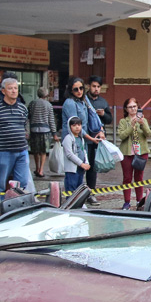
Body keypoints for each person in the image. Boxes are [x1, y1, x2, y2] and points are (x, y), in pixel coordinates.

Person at [61, 76, 105, 206]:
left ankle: (79, 199)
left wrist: (100, 129)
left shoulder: (84, 101)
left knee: (81, 169)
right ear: (70, 90)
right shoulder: (70, 103)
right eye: (76, 89)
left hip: (82, 140)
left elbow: (93, 116)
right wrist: (91, 138)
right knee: (73, 170)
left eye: (81, 88)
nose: (79, 91)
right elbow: (75, 125)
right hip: (73, 139)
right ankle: (71, 200)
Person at [0, 78, 31, 192]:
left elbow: (25, 125)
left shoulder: (22, 108)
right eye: (10, 88)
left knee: (22, 182)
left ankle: (16, 205)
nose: (14, 91)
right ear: (3, 91)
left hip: (21, 150)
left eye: (15, 88)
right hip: (2, 151)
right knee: (0, 182)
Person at [117, 98, 151, 210]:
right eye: (130, 107)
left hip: (141, 152)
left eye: (135, 106)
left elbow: (148, 134)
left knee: (139, 177)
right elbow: (121, 136)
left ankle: (139, 201)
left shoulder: (143, 120)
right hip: (127, 153)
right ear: (126, 109)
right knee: (127, 178)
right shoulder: (123, 121)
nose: (133, 109)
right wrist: (131, 126)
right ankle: (126, 202)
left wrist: (142, 124)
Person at [27, 87, 58, 178]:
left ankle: (36, 168)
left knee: (35, 151)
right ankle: (41, 170)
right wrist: (54, 133)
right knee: (43, 151)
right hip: (45, 130)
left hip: (34, 130)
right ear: (46, 95)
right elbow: (51, 120)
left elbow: (28, 116)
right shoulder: (48, 105)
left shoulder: (32, 103)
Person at [62, 116, 90, 192]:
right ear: (69, 126)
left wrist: (86, 162)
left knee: (79, 189)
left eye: (79, 125)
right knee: (71, 189)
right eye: (74, 125)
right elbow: (69, 154)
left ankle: (78, 204)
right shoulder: (68, 138)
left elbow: (84, 151)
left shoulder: (81, 138)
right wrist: (81, 164)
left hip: (81, 169)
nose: (77, 127)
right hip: (72, 169)